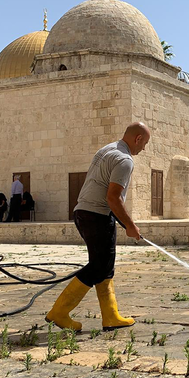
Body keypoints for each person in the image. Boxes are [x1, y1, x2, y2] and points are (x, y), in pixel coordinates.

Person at [46, 122, 150, 331]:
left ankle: (110, 316)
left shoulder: (108, 149)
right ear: (138, 139)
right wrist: (130, 225)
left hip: (84, 213)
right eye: (144, 143)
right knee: (98, 266)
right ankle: (59, 312)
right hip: (97, 215)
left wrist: (125, 223)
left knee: (104, 265)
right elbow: (112, 197)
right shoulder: (125, 160)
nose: (144, 148)